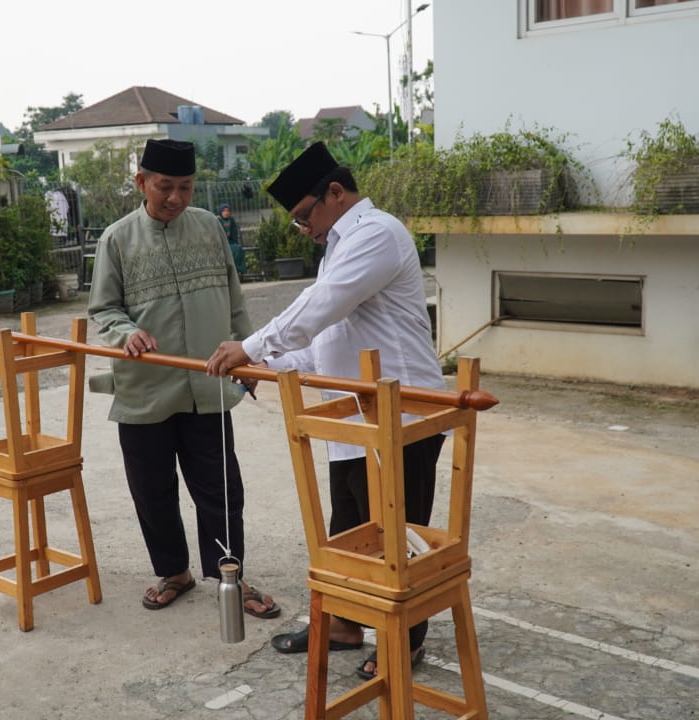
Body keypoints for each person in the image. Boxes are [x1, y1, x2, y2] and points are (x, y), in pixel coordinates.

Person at [205, 141, 444, 679]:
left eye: (303, 216)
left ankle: (404, 642)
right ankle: (343, 625)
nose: (303, 230)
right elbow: (327, 338)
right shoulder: (340, 245)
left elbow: (321, 305)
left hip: (401, 417)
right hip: (352, 416)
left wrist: (254, 344)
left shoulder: (376, 233)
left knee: (395, 539)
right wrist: (268, 363)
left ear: (335, 192)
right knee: (348, 533)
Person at [87, 138, 279, 619]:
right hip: (146, 388)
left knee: (220, 487)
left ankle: (228, 575)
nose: (175, 197)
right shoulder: (116, 239)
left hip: (208, 385)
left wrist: (248, 353)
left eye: (186, 187)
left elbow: (234, 299)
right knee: (152, 490)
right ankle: (174, 571)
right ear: (141, 182)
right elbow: (103, 308)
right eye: (165, 186)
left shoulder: (210, 227)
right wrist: (126, 332)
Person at [216, 203, 247, 275]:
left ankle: (238, 270)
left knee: (237, 248)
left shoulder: (231, 220)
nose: (226, 213)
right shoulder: (217, 220)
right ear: (220, 212)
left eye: (228, 211)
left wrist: (234, 243)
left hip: (230, 243)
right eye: (224, 211)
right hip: (221, 244)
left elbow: (234, 235)